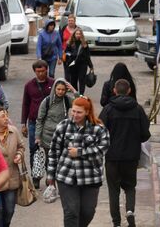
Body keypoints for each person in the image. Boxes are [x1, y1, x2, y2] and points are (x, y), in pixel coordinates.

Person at [46, 96, 110, 227]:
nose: (75, 115)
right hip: (66, 177)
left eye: (79, 112)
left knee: (88, 212)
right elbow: (53, 152)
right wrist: (50, 176)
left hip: (91, 178)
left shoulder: (99, 129)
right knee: (71, 212)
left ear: (87, 112)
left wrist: (79, 152)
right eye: (73, 111)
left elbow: (102, 150)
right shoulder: (63, 126)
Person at [100, 79, 151, 227]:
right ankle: (129, 211)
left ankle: (116, 223)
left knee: (113, 190)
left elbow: (99, 131)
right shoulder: (138, 109)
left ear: (114, 91)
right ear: (129, 91)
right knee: (130, 187)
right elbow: (145, 134)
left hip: (112, 157)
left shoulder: (108, 109)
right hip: (131, 157)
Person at [35, 78, 78, 187]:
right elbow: (40, 120)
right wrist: (38, 137)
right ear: (54, 89)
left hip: (62, 136)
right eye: (58, 89)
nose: (60, 92)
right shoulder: (47, 101)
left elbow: (82, 103)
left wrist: (74, 90)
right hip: (47, 136)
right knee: (50, 160)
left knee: (60, 160)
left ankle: (55, 179)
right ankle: (51, 182)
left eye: (63, 89)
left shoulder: (67, 100)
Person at [21, 60, 54, 183]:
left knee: (49, 150)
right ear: (34, 71)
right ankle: (36, 176)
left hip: (50, 122)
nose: (40, 73)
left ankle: (49, 176)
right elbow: (25, 104)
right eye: (37, 71)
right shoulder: (29, 85)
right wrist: (23, 123)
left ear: (47, 69)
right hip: (33, 122)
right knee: (34, 149)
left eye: (42, 71)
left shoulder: (53, 83)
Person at [64, 28, 93, 95]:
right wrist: (71, 55)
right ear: (74, 34)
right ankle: (75, 94)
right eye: (77, 34)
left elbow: (87, 56)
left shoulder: (84, 44)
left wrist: (91, 66)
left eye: (79, 34)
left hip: (82, 64)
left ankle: (81, 95)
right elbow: (66, 52)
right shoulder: (70, 43)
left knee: (82, 80)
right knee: (73, 80)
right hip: (73, 64)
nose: (78, 35)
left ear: (81, 35)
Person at [60, 15, 77, 81]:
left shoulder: (77, 29)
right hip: (65, 52)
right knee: (66, 69)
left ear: (75, 21)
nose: (70, 22)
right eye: (69, 20)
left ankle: (73, 84)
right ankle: (67, 84)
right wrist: (60, 50)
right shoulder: (64, 28)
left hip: (74, 53)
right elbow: (60, 40)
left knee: (73, 69)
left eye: (72, 21)